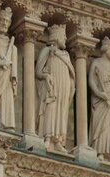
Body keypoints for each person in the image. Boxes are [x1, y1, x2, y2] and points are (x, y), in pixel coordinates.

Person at [35, 24, 75, 153]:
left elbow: (71, 73)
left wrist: (70, 85)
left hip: (63, 86)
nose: (64, 38)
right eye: (63, 36)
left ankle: (58, 140)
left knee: (61, 112)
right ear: (57, 36)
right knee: (51, 108)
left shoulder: (66, 55)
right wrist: (46, 76)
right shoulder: (47, 51)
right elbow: (38, 71)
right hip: (51, 87)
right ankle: (47, 136)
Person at [89, 37, 110, 163]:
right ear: (106, 49)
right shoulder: (97, 62)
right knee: (101, 124)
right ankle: (99, 150)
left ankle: (109, 153)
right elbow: (92, 81)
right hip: (102, 98)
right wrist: (98, 93)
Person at [0, 7, 18, 130]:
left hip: (6, 78)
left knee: (6, 96)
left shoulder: (11, 45)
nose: (4, 23)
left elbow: (14, 72)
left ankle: (5, 122)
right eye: (1, 20)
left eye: (7, 21)